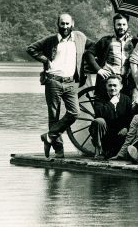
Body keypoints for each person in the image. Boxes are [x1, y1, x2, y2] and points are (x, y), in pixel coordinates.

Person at [26, 13, 92, 158]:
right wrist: (44, 59)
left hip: (71, 82)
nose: (65, 27)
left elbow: (95, 47)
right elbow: (31, 48)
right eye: (62, 24)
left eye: (67, 24)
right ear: (58, 24)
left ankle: (49, 136)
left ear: (72, 23)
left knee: (74, 113)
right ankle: (59, 150)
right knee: (53, 116)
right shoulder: (51, 40)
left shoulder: (80, 38)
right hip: (53, 81)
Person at [85, 13, 138, 99]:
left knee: (124, 108)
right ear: (114, 25)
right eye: (118, 24)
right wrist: (99, 70)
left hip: (125, 81)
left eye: (124, 24)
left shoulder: (134, 41)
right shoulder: (106, 40)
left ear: (127, 25)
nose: (121, 27)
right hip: (107, 79)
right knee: (105, 108)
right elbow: (88, 54)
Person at [89, 76, 134, 160]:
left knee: (117, 154)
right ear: (106, 86)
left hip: (120, 133)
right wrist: (111, 102)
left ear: (121, 86)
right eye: (110, 85)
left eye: (115, 85)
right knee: (99, 121)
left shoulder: (126, 99)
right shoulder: (99, 98)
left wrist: (126, 128)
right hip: (105, 133)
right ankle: (99, 149)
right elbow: (99, 113)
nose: (112, 88)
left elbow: (130, 117)